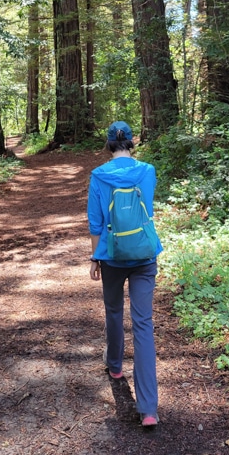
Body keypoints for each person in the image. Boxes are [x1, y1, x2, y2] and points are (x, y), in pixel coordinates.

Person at [87, 120, 162, 427]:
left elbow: (95, 223)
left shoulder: (99, 176)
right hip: (144, 254)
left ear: (107, 145)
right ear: (133, 142)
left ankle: (115, 366)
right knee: (143, 325)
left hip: (113, 257)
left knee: (114, 311)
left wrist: (95, 258)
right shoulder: (147, 171)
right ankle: (148, 409)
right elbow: (149, 210)